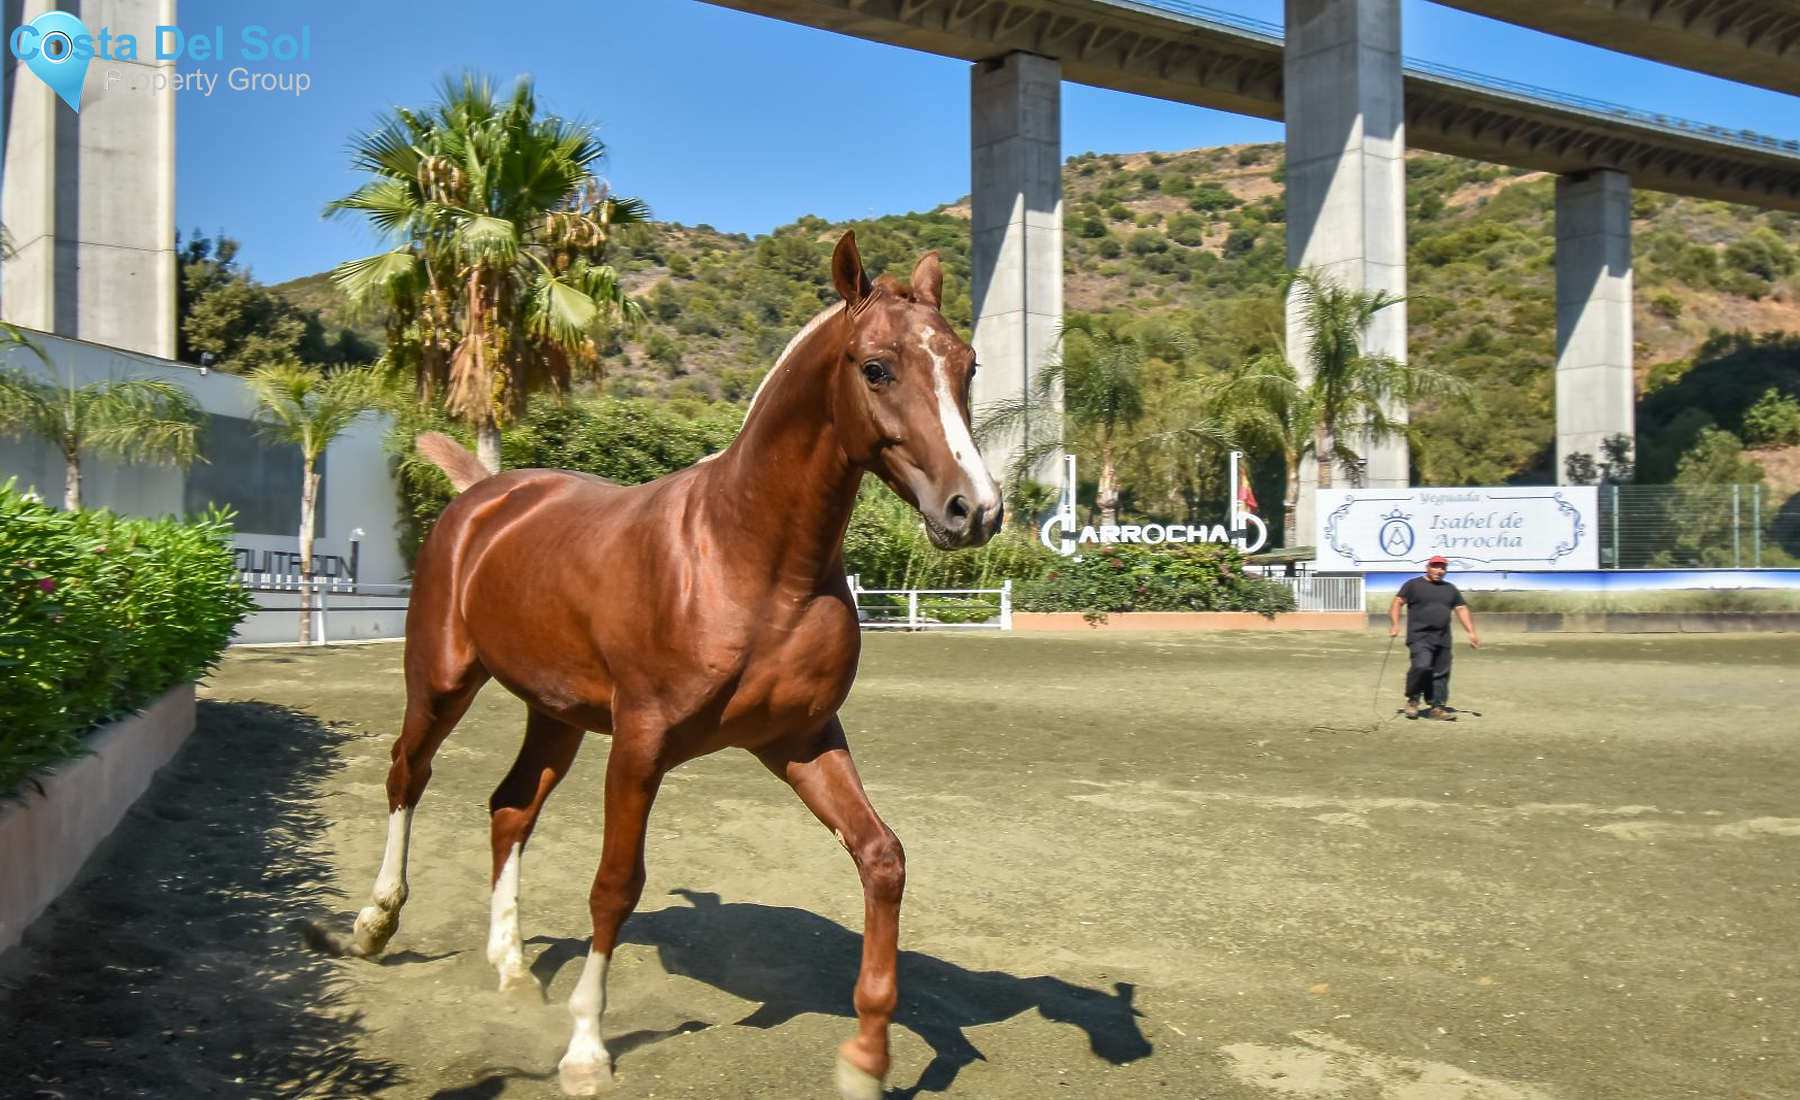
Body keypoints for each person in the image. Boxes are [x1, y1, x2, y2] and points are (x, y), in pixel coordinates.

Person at [1389, 555, 1480, 720]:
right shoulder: (1413, 585)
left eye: (1443, 568)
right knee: (1422, 665)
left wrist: (1471, 632)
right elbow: (1397, 602)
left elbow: (1461, 609)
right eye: (1435, 566)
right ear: (1427, 567)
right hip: (1419, 636)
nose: (1439, 570)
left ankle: (1437, 707)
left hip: (1443, 637)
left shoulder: (1450, 589)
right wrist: (1395, 624)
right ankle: (1413, 699)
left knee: (1440, 672)